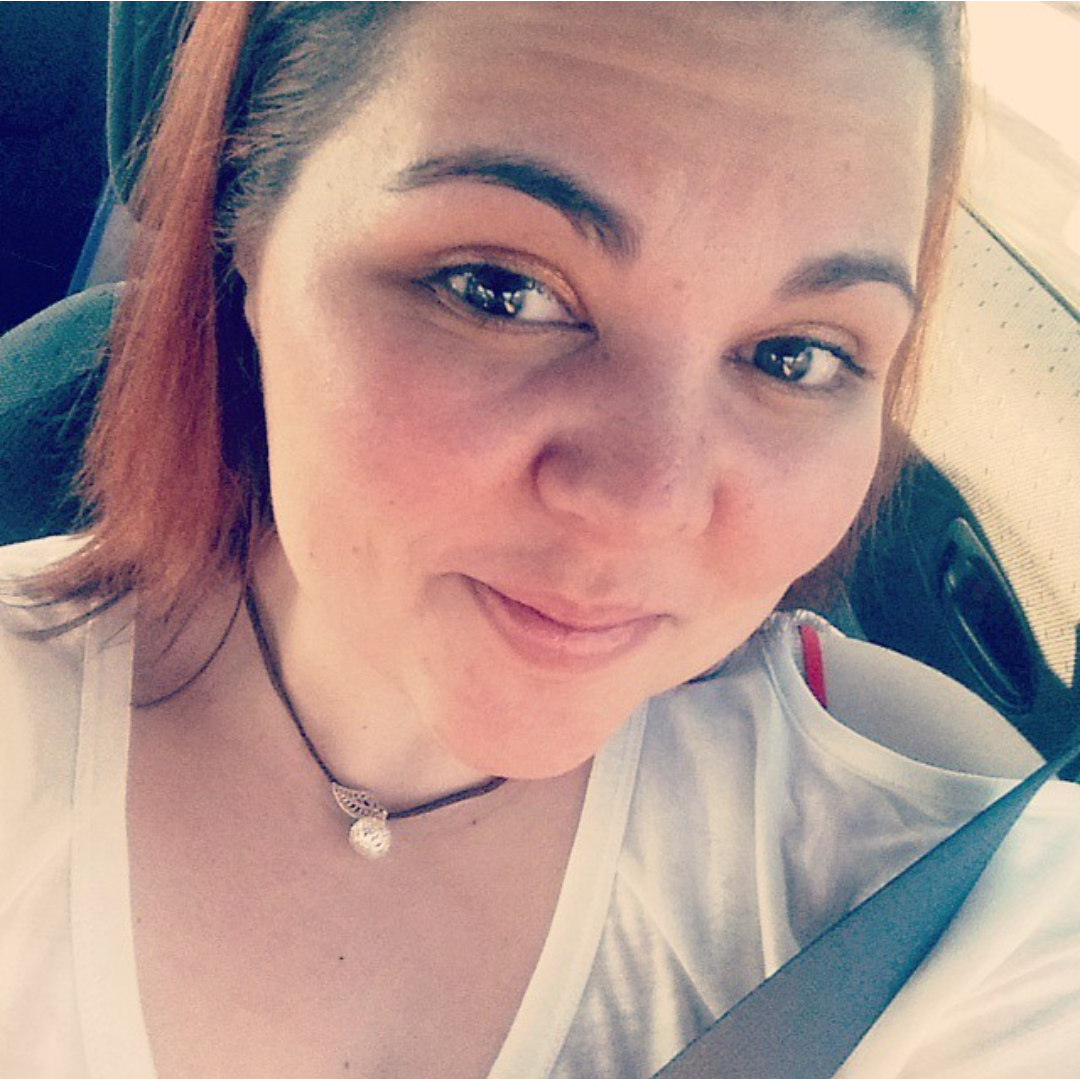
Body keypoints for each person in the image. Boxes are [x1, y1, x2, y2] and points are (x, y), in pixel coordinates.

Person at [1, 3, 1078, 1077]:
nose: (647, 503)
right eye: (500, 289)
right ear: (248, 228)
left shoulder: (931, 844)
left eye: (796, 355)